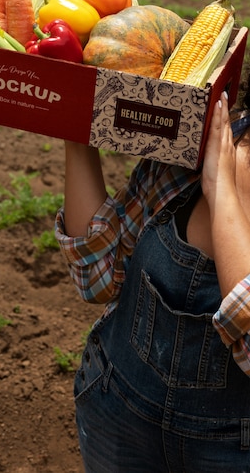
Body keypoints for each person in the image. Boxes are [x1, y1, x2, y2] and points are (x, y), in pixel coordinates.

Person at [55, 66, 250, 472]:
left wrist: (222, 190)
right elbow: (98, 275)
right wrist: (76, 123)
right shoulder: (204, 137)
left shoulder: (216, 162)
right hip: (116, 417)